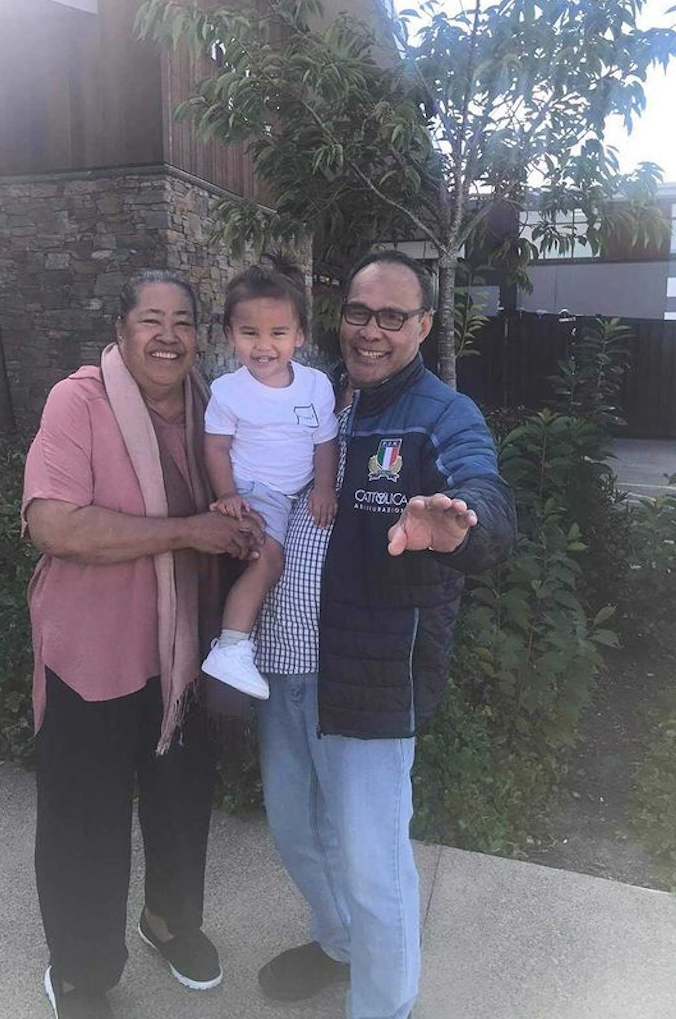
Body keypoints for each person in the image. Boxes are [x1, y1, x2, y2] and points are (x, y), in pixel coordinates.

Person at [253, 250, 517, 1019]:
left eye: (392, 317)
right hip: (285, 660)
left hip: (369, 675)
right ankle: (338, 945)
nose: (370, 331)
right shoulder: (311, 397)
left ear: (425, 326)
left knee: (374, 865)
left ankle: (384, 1005)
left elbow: (486, 497)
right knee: (297, 831)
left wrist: (457, 526)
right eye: (358, 313)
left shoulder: (440, 414)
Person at [22, 270, 263, 1019]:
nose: (168, 335)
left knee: (181, 805)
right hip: (90, 655)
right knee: (84, 822)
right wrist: (189, 530)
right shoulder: (79, 401)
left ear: (201, 335)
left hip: (183, 654)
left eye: (184, 321)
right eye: (151, 319)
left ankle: (168, 923)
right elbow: (53, 524)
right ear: (121, 328)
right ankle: (82, 972)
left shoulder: (215, 410)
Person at [201, 265, 339, 699]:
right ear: (230, 335)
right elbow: (216, 448)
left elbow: (325, 441)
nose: (264, 346)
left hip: (297, 494)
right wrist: (227, 494)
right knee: (269, 561)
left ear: (299, 335)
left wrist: (324, 487)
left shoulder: (316, 386)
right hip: (257, 491)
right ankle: (232, 647)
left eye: (278, 333)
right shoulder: (227, 391)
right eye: (250, 333)